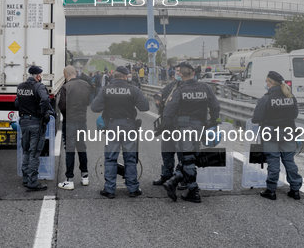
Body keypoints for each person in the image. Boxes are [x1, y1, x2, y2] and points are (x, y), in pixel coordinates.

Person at [162, 62, 220, 203]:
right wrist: (211, 121)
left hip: (184, 127)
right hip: (200, 126)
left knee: (187, 159)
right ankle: (176, 181)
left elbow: (168, 112)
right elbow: (215, 107)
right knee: (192, 157)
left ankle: (192, 191)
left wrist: (168, 127)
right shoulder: (206, 87)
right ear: (193, 73)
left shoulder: (180, 91)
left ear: (180, 74)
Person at [91, 66, 149, 199]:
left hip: (112, 126)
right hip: (129, 126)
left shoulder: (106, 90)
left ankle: (110, 189)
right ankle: (133, 188)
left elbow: (94, 108)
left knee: (110, 158)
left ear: (114, 76)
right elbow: (145, 107)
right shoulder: (133, 90)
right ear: (125, 76)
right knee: (130, 158)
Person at [251, 70, 301, 201]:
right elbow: (295, 115)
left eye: (267, 81)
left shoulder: (265, 98)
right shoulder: (290, 96)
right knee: (289, 160)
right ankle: (295, 190)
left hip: (271, 133)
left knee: (273, 160)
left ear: (271, 83)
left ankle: (271, 190)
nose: (265, 83)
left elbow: (256, 118)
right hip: (288, 131)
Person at [15, 66, 52, 192]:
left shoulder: (20, 86)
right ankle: (32, 183)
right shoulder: (38, 86)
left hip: (23, 122)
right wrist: (42, 112)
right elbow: (45, 99)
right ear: (38, 76)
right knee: (34, 153)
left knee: (25, 151)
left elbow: (16, 103)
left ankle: (25, 179)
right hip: (36, 122)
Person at [152, 66, 186, 189]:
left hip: (181, 124)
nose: (176, 73)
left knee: (183, 153)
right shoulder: (173, 84)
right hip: (168, 124)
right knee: (166, 150)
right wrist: (159, 97)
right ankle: (166, 175)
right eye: (176, 71)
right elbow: (161, 92)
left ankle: (183, 178)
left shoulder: (188, 87)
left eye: (179, 71)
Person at [58, 65, 91, 190]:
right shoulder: (86, 84)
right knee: (82, 146)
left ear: (65, 74)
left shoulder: (66, 87)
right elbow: (88, 101)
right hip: (82, 120)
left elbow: (62, 105)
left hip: (70, 122)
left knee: (70, 149)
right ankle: (85, 176)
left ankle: (69, 179)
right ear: (76, 73)